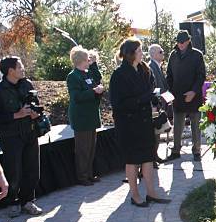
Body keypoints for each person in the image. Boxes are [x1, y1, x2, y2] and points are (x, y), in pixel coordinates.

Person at [110, 38, 170, 207]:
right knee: (132, 160)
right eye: (139, 51)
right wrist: (143, 99)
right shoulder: (119, 74)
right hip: (128, 124)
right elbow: (118, 103)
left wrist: (154, 99)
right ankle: (135, 195)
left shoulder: (144, 69)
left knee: (148, 158)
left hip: (144, 122)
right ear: (130, 54)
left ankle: (151, 193)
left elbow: (150, 89)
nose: (142, 53)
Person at [0, 56, 43, 217]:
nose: (23, 68)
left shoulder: (27, 84)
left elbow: (37, 104)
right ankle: (12, 202)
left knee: (33, 170)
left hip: (30, 132)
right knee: (14, 172)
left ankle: (28, 201)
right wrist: (16, 115)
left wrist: (34, 113)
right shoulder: (0, 89)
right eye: (20, 66)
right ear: (11, 71)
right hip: (10, 136)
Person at [165, 30, 206, 162]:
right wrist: (170, 91)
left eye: (182, 42)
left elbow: (201, 76)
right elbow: (169, 75)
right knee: (177, 125)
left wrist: (193, 92)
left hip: (194, 96)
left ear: (188, 41)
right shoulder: (173, 55)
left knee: (195, 125)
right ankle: (176, 150)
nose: (180, 44)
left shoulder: (197, 55)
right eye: (178, 42)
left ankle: (197, 150)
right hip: (177, 96)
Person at [66, 47, 104, 186]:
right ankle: (82, 176)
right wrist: (94, 92)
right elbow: (76, 97)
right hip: (81, 117)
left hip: (91, 116)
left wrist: (98, 91)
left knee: (91, 148)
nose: (89, 61)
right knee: (83, 148)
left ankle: (89, 173)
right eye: (88, 59)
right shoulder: (73, 76)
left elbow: (96, 80)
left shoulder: (87, 74)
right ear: (81, 60)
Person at [148, 44, 169, 166]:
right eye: (161, 52)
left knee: (158, 131)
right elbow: (154, 88)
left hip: (160, 103)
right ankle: (152, 158)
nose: (163, 53)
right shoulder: (151, 67)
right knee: (154, 132)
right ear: (154, 54)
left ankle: (155, 156)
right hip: (155, 105)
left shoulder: (158, 66)